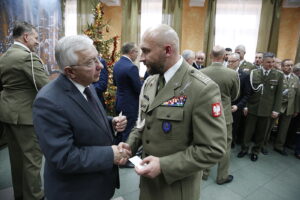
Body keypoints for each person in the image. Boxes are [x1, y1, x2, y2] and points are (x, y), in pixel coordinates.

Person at [125, 24, 227, 200]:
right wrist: (130, 145)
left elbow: (213, 148)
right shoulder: (151, 82)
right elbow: (143, 123)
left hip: (176, 189)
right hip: (148, 184)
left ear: (167, 50)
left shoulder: (202, 88)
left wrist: (164, 165)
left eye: (146, 51)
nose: (141, 58)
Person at [32, 35, 130, 200]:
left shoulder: (86, 84)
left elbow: (84, 116)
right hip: (75, 192)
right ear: (70, 71)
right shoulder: (48, 101)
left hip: (97, 186)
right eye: (90, 62)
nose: (100, 66)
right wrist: (110, 154)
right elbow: (63, 157)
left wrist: (110, 122)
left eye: (97, 58)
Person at [0, 21, 49, 200]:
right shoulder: (27, 57)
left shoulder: (4, 56)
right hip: (26, 117)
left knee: (16, 159)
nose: (38, 42)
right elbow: (45, 86)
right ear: (26, 37)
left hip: (7, 114)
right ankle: (34, 196)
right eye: (36, 38)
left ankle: (20, 195)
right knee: (32, 160)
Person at [201, 46, 240, 184]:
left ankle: (204, 173)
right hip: (224, 115)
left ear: (210, 55)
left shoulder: (201, 72)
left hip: (206, 114)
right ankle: (222, 176)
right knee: (225, 145)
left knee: (206, 143)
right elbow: (235, 95)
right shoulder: (232, 74)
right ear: (224, 56)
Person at [238, 52, 283, 162]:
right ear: (262, 62)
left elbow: (279, 95)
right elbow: (248, 91)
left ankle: (255, 151)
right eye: (268, 62)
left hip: (267, 109)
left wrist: (276, 110)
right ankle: (244, 148)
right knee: (248, 131)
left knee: (261, 133)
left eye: (272, 62)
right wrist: (246, 106)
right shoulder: (254, 73)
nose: (271, 64)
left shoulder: (278, 75)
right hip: (253, 107)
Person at [113, 42, 142, 144]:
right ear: (132, 52)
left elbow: (114, 83)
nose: (138, 55)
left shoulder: (117, 64)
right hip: (130, 104)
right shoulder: (131, 67)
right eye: (137, 52)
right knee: (128, 131)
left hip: (119, 102)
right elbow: (139, 89)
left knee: (120, 130)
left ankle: (116, 150)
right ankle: (124, 156)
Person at [274, 59, 299, 155]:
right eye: (287, 65)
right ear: (282, 66)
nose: (290, 67)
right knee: (269, 126)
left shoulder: (295, 78)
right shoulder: (277, 75)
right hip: (277, 105)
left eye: (291, 65)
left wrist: (296, 110)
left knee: (284, 129)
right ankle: (263, 144)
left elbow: (297, 95)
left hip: (289, 107)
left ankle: (279, 146)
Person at [227, 53, 251, 148]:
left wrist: (238, 106)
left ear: (238, 62)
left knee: (233, 128)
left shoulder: (244, 76)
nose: (229, 64)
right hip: (224, 105)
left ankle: (231, 143)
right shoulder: (224, 72)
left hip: (236, 107)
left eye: (232, 62)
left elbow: (247, 94)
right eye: (228, 61)